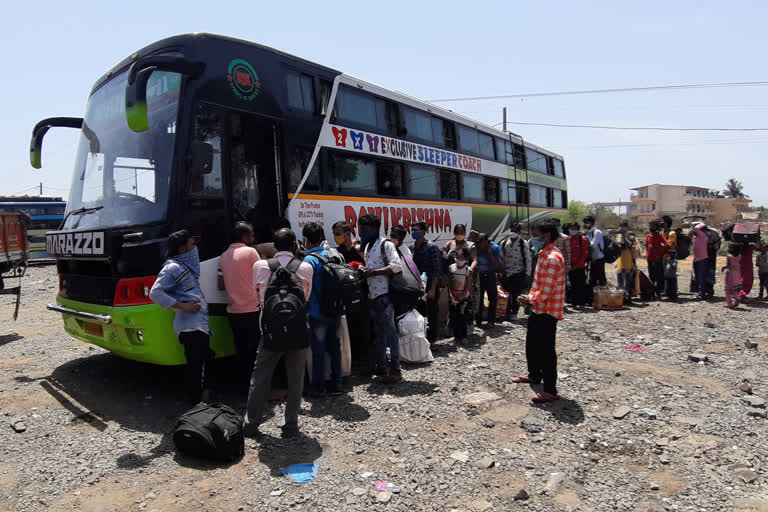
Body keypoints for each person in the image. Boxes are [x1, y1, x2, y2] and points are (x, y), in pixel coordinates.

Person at [243, 228, 313, 439]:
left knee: (260, 378)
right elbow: (306, 297)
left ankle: (251, 424)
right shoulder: (306, 267)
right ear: (294, 245)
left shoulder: (260, 265)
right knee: (295, 379)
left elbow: (257, 295)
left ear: (274, 246)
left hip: (269, 331)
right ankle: (290, 426)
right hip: (299, 331)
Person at [149, 230, 214, 403]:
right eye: (192, 245)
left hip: (198, 324)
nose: (195, 249)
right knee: (197, 365)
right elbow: (155, 292)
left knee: (203, 360)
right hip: (191, 326)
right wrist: (183, 306)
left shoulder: (184, 267)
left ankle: (202, 403)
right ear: (182, 249)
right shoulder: (172, 267)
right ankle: (199, 406)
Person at [512, 219, 566, 403]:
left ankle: (550, 390)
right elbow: (539, 285)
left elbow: (548, 289)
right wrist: (529, 298)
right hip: (538, 308)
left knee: (546, 350)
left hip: (548, 310)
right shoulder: (544, 254)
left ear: (547, 235)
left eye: (536, 235)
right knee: (532, 344)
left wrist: (530, 298)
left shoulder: (552, 258)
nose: (534, 238)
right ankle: (534, 375)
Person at [359, 214, 403, 384]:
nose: (362, 232)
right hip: (372, 295)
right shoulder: (368, 247)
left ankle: (396, 370)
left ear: (374, 229)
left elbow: (396, 266)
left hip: (385, 295)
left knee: (391, 333)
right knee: (379, 333)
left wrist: (373, 273)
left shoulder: (387, 244)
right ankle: (382, 367)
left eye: (364, 229)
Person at [218, 222, 261, 390]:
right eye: (251, 235)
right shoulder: (251, 252)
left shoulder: (223, 256)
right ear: (244, 237)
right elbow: (262, 276)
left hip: (234, 312)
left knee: (241, 351)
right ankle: (259, 389)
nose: (253, 238)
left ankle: (244, 388)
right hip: (253, 309)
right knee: (258, 352)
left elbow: (220, 285)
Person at [303, 222, 342, 397]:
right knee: (335, 348)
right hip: (335, 310)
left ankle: (318, 387)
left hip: (317, 311)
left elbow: (305, 288)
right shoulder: (332, 254)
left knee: (318, 351)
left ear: (305, 240)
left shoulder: (309, 260)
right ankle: (337, 384)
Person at [410, 221, 443, 345]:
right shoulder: (412, 248)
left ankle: (433, 340)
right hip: (417, 285)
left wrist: (433, 289)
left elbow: (436, 270)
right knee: (420, 312)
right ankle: (422, 340)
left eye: (416, 230)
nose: (413, 232)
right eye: (412, 230)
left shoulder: (431, 247)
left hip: (430, 285)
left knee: (432, 313)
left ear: (423, 232)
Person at [500, 223, 531, 321]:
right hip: (506, 273)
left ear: (519, 232)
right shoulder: (504, 243)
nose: (513, 233)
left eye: (516, 231)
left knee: (516, 294)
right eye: (512, 230)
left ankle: (514, 312)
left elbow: (528, 259)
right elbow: (501, 259)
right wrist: (500, 272)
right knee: (506, 294)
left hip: (518, 272)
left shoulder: (523, 243)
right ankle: (506, 312)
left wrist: (528, 274)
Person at [472, 233, 501, 327]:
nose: (479, 244)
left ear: (486, 241)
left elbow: (496, 265)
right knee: (479, 298)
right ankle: (478, 320)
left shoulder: (495, 247)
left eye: (481, 242)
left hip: (490, 274)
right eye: (478, 242)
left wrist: (490, 252)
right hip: (479, 275)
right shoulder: (476, 246)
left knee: (492, 298)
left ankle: (491, 321)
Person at [448, 247, 473, 343]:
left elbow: (468, 284)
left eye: (462, 257)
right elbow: (450, 280)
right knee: (454, 316)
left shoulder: (468, 269)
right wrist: (451, 293)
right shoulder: (451, 267)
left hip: (464, 296)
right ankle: (455, 335)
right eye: (457, 257)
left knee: (463, 316)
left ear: (466, 258)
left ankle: (463, 336)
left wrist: (462, 295)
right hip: (453, 295)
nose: (459, 259)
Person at [567, 223, 590, 307]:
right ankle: (573, 301)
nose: (573, 230)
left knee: (580, 284)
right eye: (571, 228)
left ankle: (581, 301)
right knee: (572, 284)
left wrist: (576, 265)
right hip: (570, 266)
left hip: (579, 266)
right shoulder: (567, 239)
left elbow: (584, 254)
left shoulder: (583, 239)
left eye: (575, 228)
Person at [646, 220, 669, 300]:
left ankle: (658, 293)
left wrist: (659, 252)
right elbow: (647, 246)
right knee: (651, 276)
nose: (650, 228)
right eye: (650, 226)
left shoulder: (659, 236)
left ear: (656, 227)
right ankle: (651, 293)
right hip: (649, 259)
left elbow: (667, 245)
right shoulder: (648, 236)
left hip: (657, 259)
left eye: (652, 226)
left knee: (658, 277)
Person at [616, 220, 638, 302]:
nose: (621, 228)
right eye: (620, 226)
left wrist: (624, 237)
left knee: (627, 279)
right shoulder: (618, 235)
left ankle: (628, 297)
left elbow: (630, 246)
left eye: (623, 226)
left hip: (628, 259)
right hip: (620, 259)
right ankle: (622, 296)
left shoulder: (630, 235)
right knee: (620, 278)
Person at [583, 216, 607, 287]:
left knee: (600, 279)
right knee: (592, 279)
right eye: (585, 223)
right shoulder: (588, 233)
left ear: (592, 223)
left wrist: (586, 238)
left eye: (587, 223)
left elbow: (593, 245)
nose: (585, 224)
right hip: (593, 259)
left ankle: (602, 294)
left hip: (599, 259)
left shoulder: (597, 232)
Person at [692, 223, 714, 299]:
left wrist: (701, 224)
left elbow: (697, 228)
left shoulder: (703, 236)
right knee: (697, 277)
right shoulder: (696, 237)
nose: (693, 230)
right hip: (696, 258)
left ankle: (702, 293)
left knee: (701, 277)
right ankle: (700, 292)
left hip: (702, 259)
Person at [661, 216, 678, 299]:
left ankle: (673, 293)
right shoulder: (662, 233)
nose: (661, 223)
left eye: (662, 222)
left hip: (670, 258)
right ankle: (666, 291)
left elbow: (669, 245)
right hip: (663, 257)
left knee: (671, 276)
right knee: (665, 276)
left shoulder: (672, 233)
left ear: (666, 223)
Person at [722, 243, 743, 309]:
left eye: (729, 247)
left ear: (732, 249)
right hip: (737, 273)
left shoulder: (729, 256)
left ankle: (729, 304)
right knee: (735, 289)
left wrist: (723, 267)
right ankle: (737, 297)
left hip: (730, 274)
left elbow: (728, 265)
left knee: (727, 289)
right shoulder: (739, 256)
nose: (728, 249)